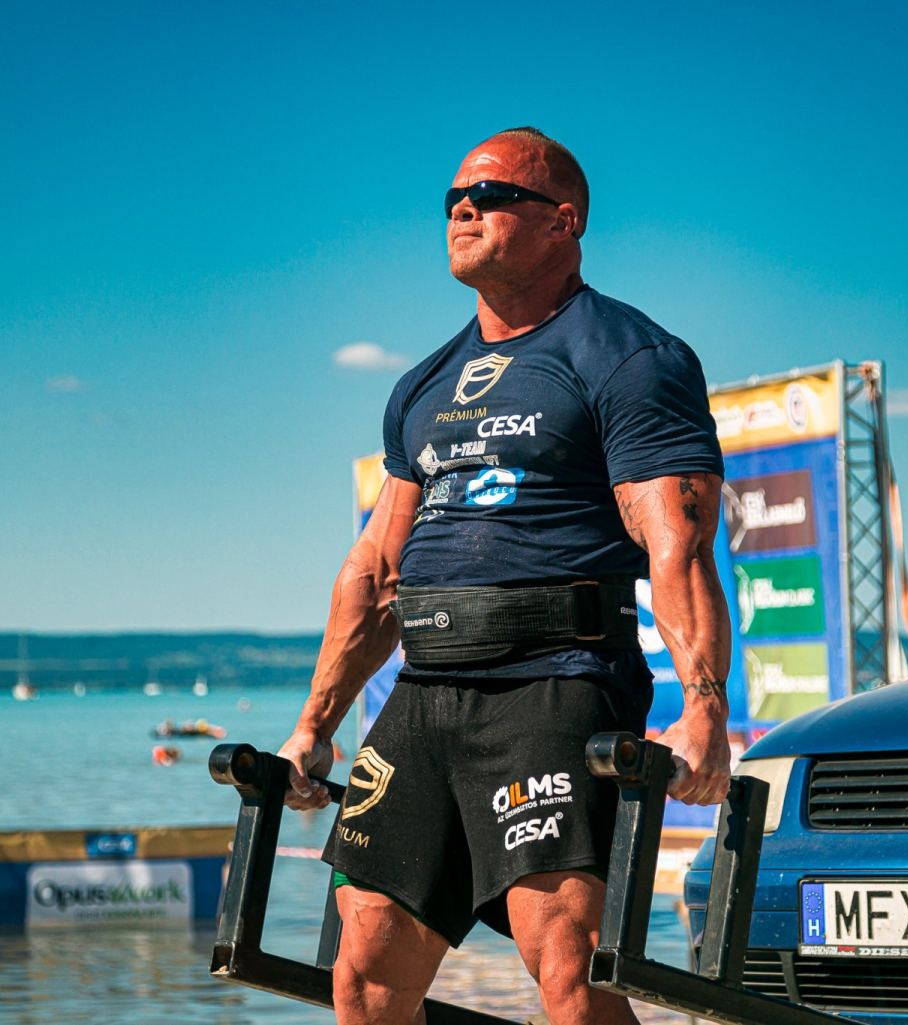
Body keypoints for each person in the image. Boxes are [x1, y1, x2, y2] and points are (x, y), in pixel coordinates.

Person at [278, 127, 732, 1025]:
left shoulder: (629, 357)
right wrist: (313, 727)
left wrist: (704, 709)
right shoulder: (425, 385)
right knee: (363, 965)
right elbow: (376, 571)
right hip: (426, 691)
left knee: (569, 968)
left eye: (489, 195)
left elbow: (676, 542)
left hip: (556, 685)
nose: (463, 209)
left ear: (563, 220)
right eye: (453, 198)